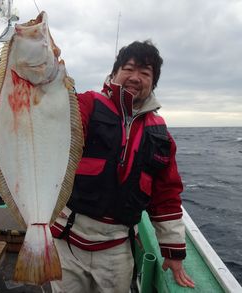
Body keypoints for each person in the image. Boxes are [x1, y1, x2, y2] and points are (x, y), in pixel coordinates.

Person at [50, 40, 195, 292]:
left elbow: (166, 195)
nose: (135, 77)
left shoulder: (159, 134)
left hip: (116, 248)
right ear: (114, 73)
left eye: (145, 72)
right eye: (128, 69)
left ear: (153, 82)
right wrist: (46, 72)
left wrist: (173, 251)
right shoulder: (86, 105)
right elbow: (55, 117)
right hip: (67, 239)